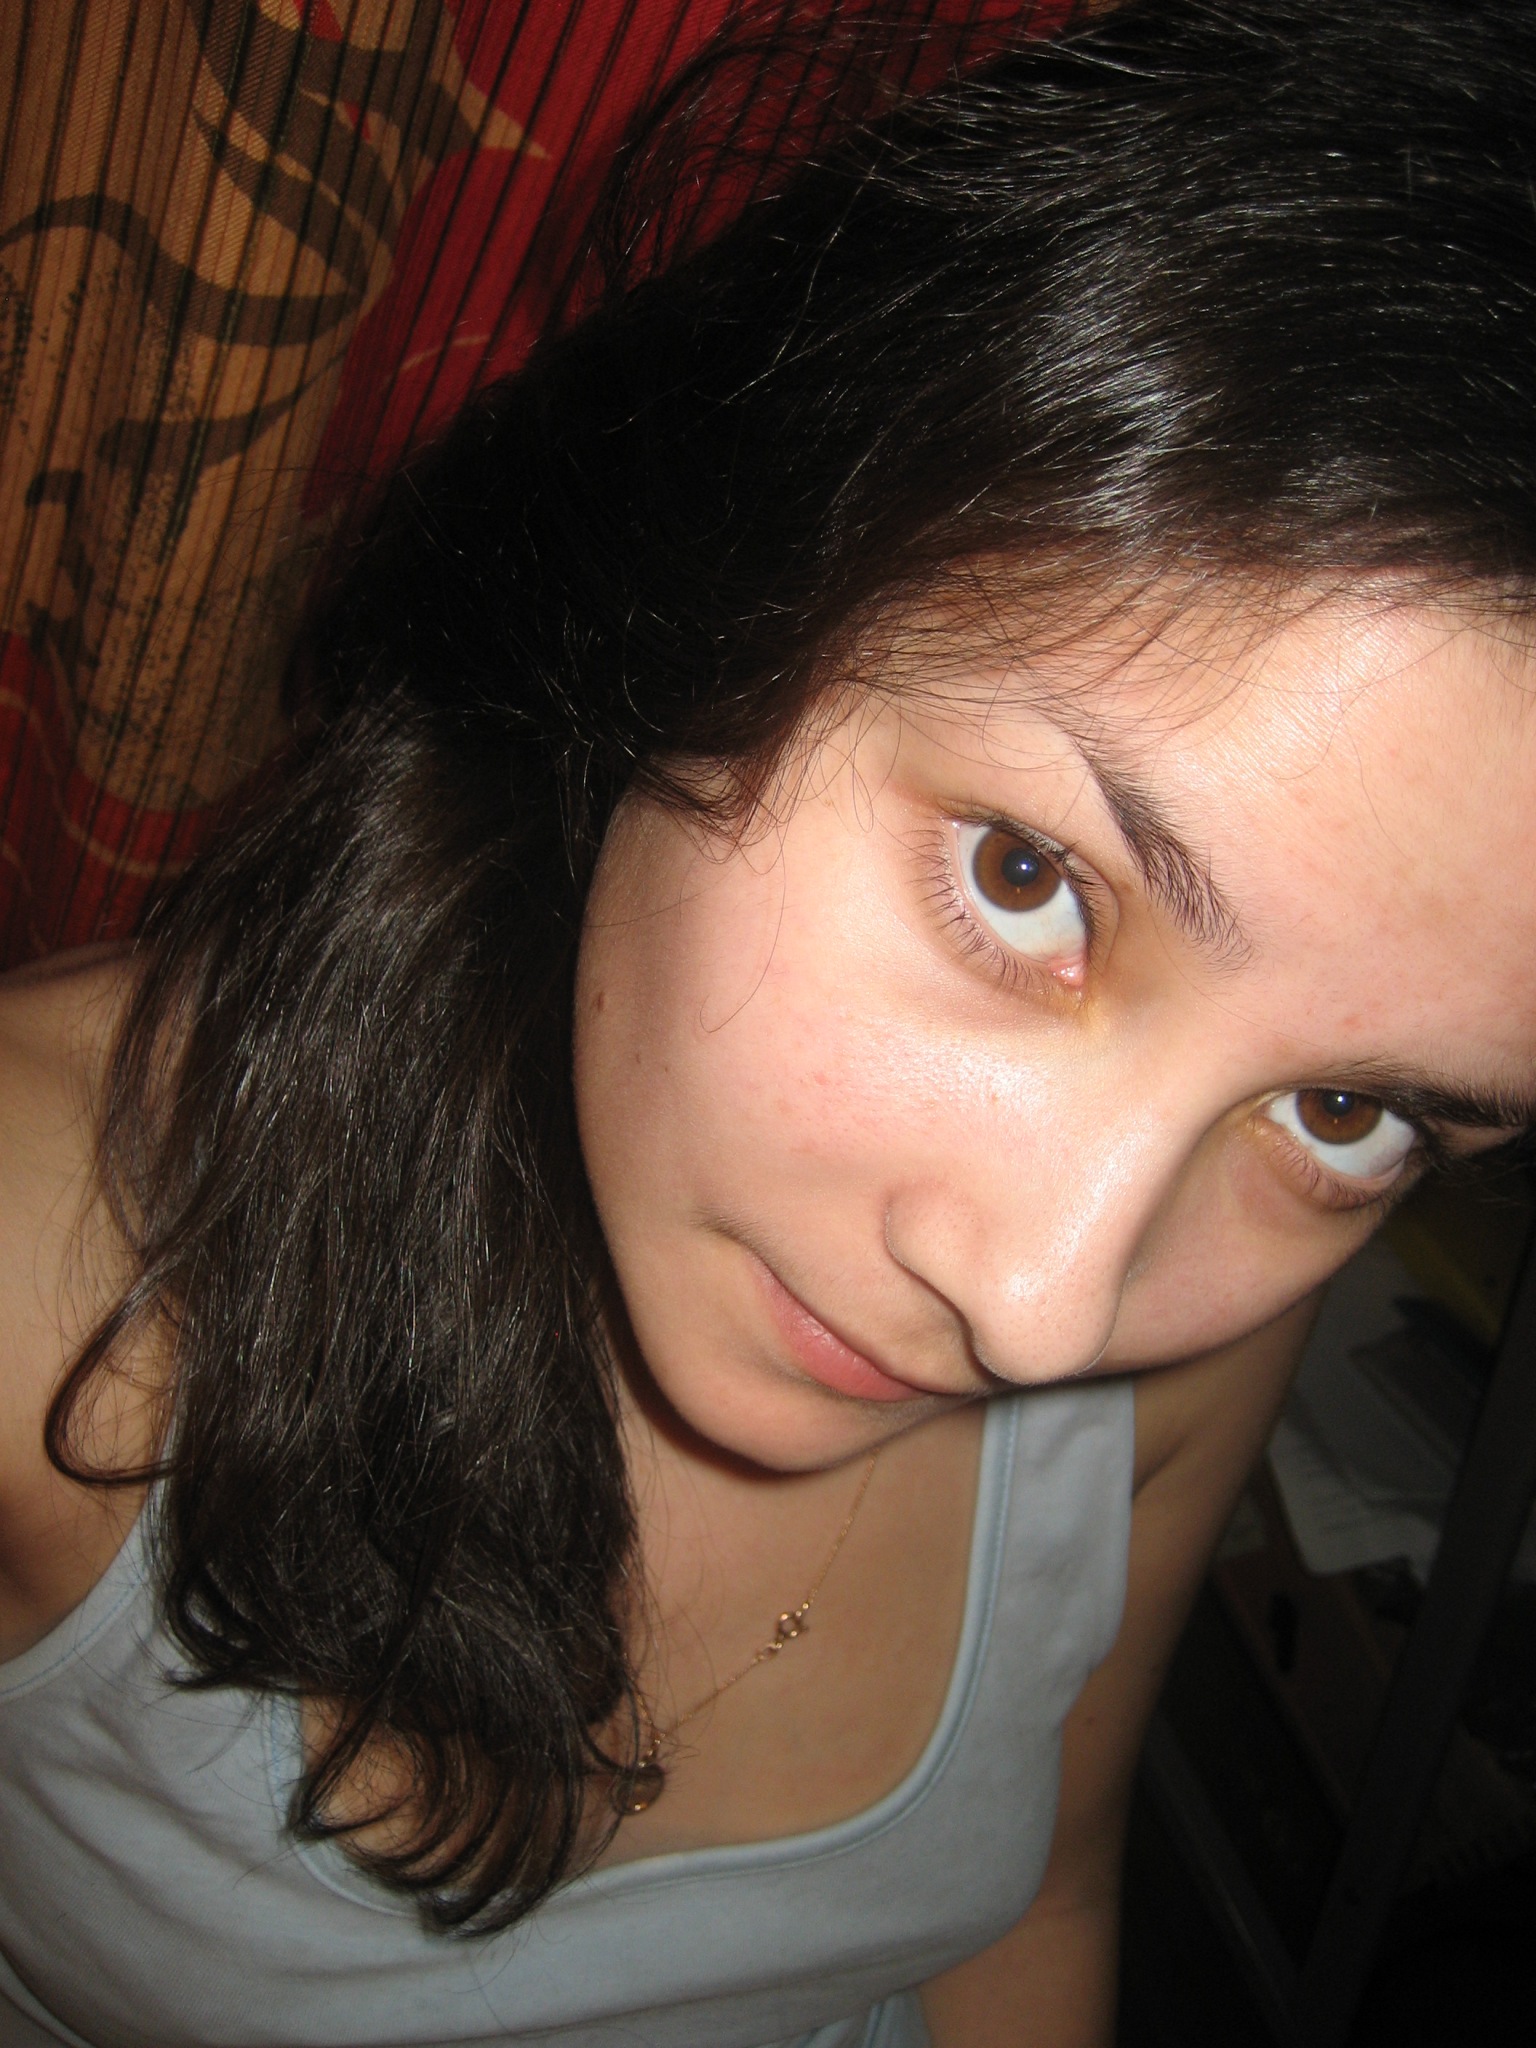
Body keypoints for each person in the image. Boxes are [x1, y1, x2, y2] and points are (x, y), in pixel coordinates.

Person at [2, 0, 1535, 2041]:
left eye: (1352, 1109)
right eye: (1027, 879)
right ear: (717, 577)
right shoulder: (39, 1258)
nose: (1046, 1316)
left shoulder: (1192, 1320)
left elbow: (1040, 1898)